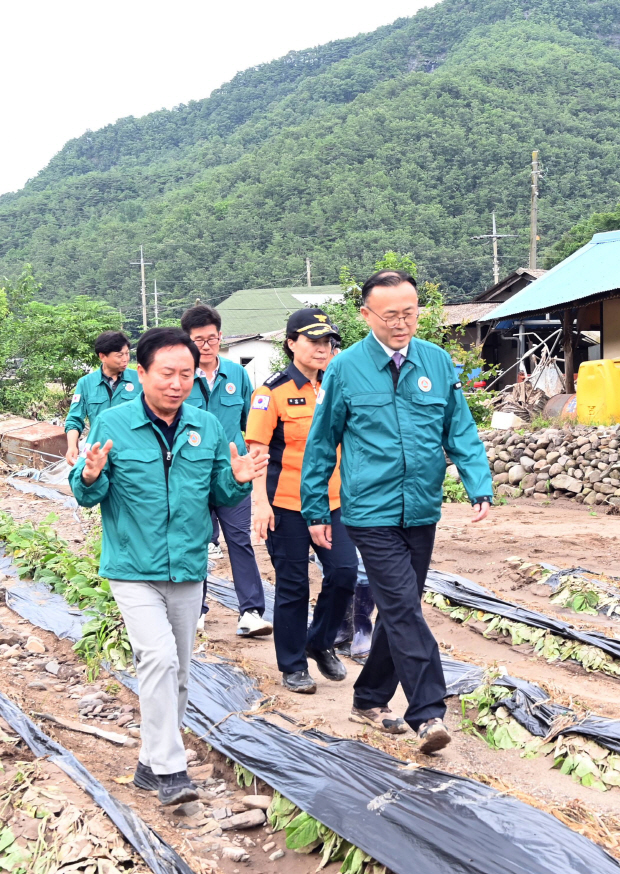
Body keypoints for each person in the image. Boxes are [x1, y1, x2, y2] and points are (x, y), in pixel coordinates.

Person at [69, 328, 266, 806]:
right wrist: (90, 474)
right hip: (132, 566)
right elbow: (86, 490)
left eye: (186, 374)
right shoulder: (113, 424)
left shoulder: (207, 426)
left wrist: (237, 482)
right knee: (156, 658)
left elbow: (220, 491)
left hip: (188, 566)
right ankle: (171, 769)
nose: (177, 383)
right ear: (143, 374)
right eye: (166, 373)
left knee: (177, 670)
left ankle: (148, 762)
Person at [300, 270, 493, 754]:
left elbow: (460, 429)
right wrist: (317, 507)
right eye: (390, 316)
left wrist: (479, 485)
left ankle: (367, 698)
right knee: (405, 605)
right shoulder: (345, 369)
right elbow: (322, 442)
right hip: (369, 509)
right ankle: (428, 712)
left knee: (396, 607)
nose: (402, 323)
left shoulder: (436, 361)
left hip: (421, 507)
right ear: (367, 316)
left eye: (409, 313)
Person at [245, 309, 358, 694]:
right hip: (286, 504)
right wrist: (260, 503)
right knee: (293, 586)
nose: (323, 348)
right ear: (291, 343)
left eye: (328, 341)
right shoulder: (270, 393)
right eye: (313, 341)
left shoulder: (335, 386)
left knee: (344, 573)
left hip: (333, 502)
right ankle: (293, 665)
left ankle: (319, 640)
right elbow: (257, 453)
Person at [181, 304, 273, 639]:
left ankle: (251, 611)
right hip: (192, 475)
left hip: (234, 476)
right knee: (197, 542)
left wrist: (255, 465)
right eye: (198, 340)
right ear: (188, 342)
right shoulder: (180, 378)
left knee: (239, 540)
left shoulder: (236, 375)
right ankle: (195, 612)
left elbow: (252, 424)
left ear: (221, 336)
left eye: (212, 338)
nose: (206, 345)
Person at [65, 331, 139, 464]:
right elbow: (74, 419)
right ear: (103, 356)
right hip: (97, 453)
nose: (125, 359)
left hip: (131, 452)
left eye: (127, 353)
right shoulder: (86, 383)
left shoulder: (140, 379)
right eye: (119, 355)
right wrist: (72, 446)